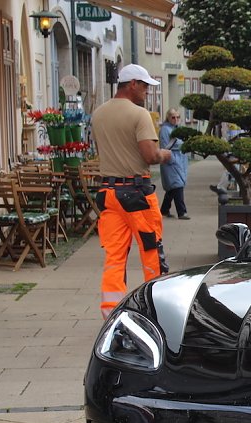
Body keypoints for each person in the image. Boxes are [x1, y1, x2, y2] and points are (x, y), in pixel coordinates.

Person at [91, 64, 172, 319]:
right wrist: (165, 155)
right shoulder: (139, 115)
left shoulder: (99, 113)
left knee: (115, 257)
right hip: (137, 195)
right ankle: (156, 311)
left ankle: (111, 314)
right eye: (145, 85)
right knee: (151, 252)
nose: (147, 91)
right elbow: (149, 155)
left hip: (108, 194)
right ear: (132, 84)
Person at [159, 108, 189, 220]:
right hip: (171, 160)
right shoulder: (165, 130)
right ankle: (182, 212)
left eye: (178, 117)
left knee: (172, 187)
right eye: (173, 117)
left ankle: (164, 210)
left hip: (181, 159)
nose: (175, 119)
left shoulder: (179, 129)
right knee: (177, 184)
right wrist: (172, 159)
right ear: (168, 117)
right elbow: (165, 146)